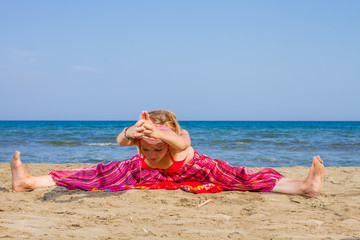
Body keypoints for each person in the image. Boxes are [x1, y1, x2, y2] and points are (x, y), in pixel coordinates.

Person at [11, 110, 324, 197]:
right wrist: (134, 133)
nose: (151, 150)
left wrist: (164, 136)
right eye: (147, 147)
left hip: (196, 171)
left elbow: (183, 146)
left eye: (156, 147)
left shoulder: (181, 137)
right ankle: (28, 182)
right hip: (144, 174)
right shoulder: (140, 146)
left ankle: (304, 186)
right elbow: (121, 141)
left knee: (244, 176)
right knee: (94, 173)